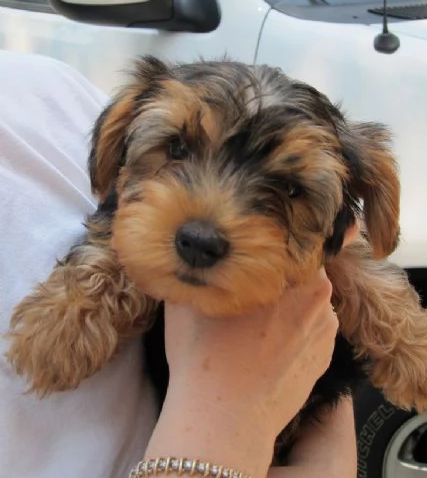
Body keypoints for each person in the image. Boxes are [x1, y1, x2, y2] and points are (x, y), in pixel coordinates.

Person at [0, 50, 357, 478]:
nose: (207, 220)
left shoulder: (49, 86)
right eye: (177, 149)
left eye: (285, 187)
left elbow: (335, 261)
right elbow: (112, 217)